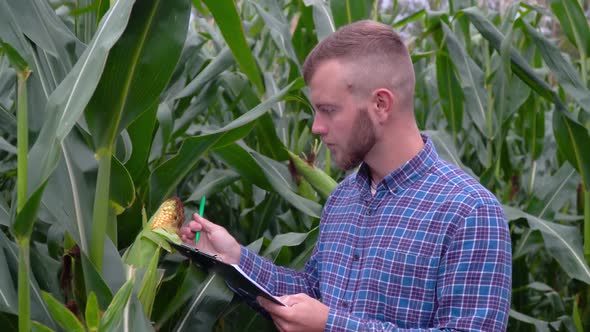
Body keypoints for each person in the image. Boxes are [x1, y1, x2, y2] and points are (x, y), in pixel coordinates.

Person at [180, 20, 511, 331]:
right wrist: (235, 259)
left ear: (381, 104)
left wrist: (332, 326)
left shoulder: (470, 212)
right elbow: (313, 294)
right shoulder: (344, 197)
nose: (316, 127)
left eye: (329, 110)